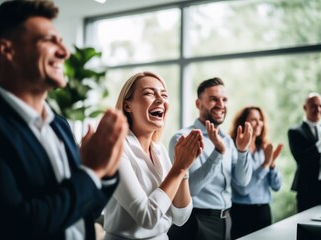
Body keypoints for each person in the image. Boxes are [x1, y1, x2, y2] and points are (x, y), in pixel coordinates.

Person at [0, 1, 128, 239]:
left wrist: (107, 171)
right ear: (7, 51)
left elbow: (83, 209)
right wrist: (92, 173)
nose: (65, 52)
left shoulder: (59, 125)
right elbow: (17, 224)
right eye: (49, 40)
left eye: (61, 41)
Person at [103, 71, 204, 239]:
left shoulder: (159, 150)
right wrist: (178, 168)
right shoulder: (115, 149)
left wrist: (183, 168)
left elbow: (180, 217)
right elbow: (147, 217)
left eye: (164, 94)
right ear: (128, 106)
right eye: (149, 93)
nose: (160, 99)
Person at [168, 77, 253, 240]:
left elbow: (242, 182)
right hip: (195, 222)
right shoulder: (183, 138)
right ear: (198, 104)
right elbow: (191, 189)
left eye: (224, 99)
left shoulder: (228, 140)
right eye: (213, 99)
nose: (221, 105)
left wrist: (242, 151)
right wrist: (218, 153)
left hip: (226, 220)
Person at [229, 106, 283, 239]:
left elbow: (277, 186)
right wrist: (265, 165)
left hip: (264, 211)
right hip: (242, 213)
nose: (259, 123)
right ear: (242, 124)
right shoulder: (234, 150)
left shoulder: (263, 149)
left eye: (260, 120)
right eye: (253, 119)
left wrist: (272, 165)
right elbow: (243, 189)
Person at [288, 92, 321, 212]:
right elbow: (301, 159)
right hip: (308, 189)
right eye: (314, 106)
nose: (318, 109)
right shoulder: (295, 132)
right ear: (305, 108)